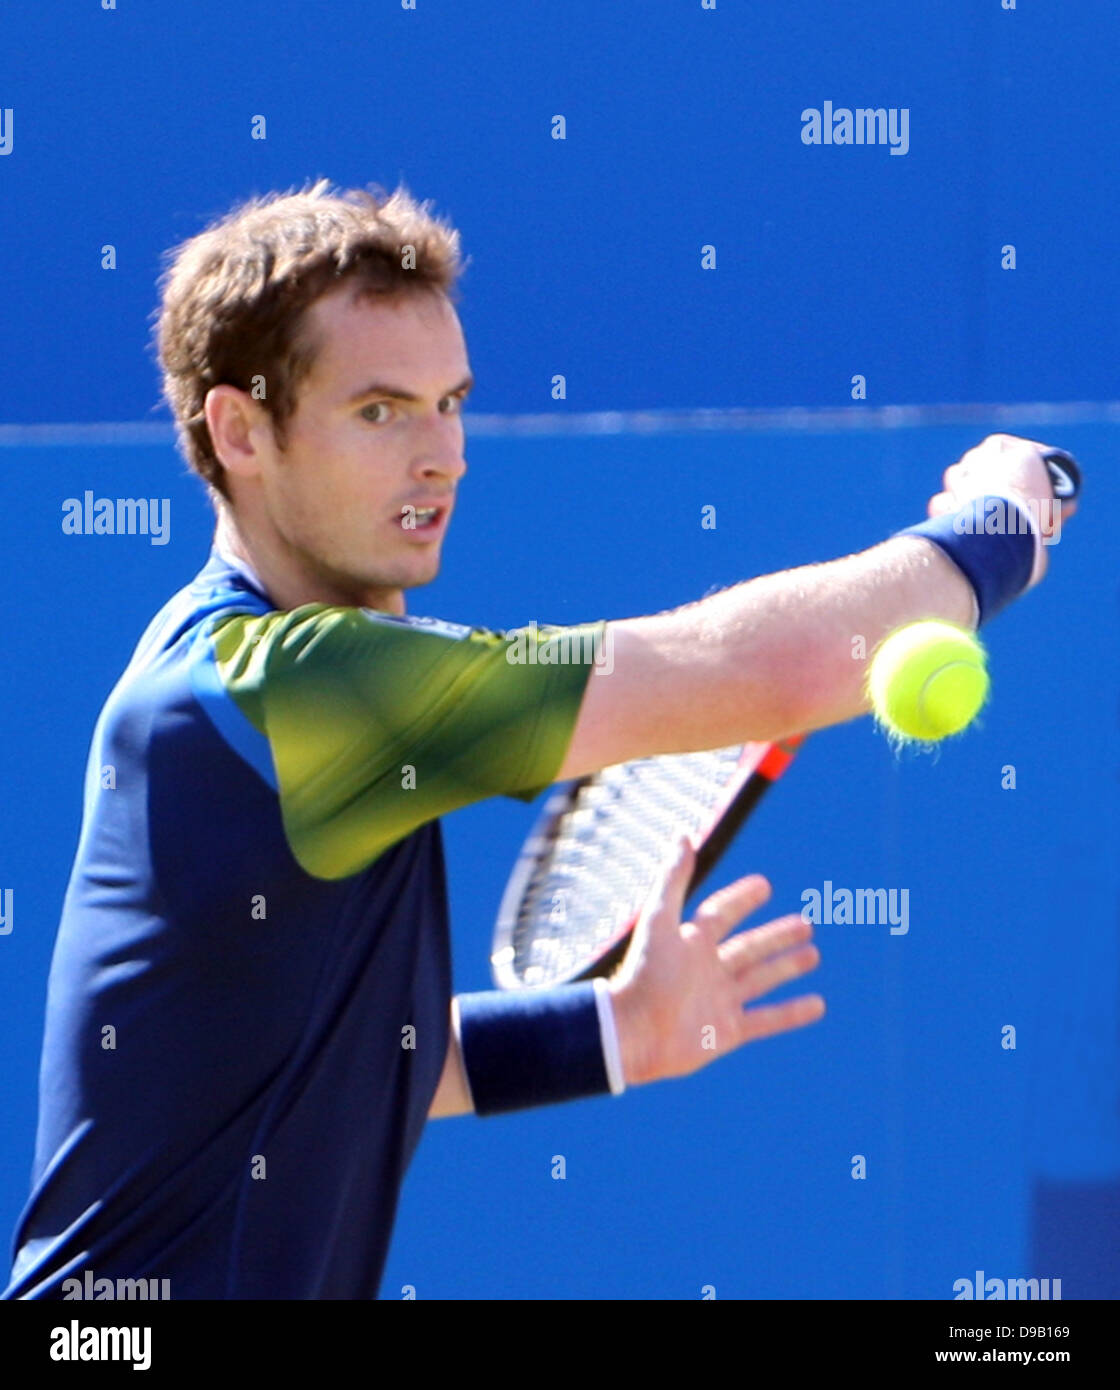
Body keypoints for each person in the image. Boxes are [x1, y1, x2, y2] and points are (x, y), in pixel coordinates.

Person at [3, 179, 1078, 1300]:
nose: (442, 455)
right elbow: (783, 670)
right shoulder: (282, 685)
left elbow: (348, 1066)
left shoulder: (233, 677)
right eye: (380, 411)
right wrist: (997, 526)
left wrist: (612, 1031)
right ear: (240, 432)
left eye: (450, 402)